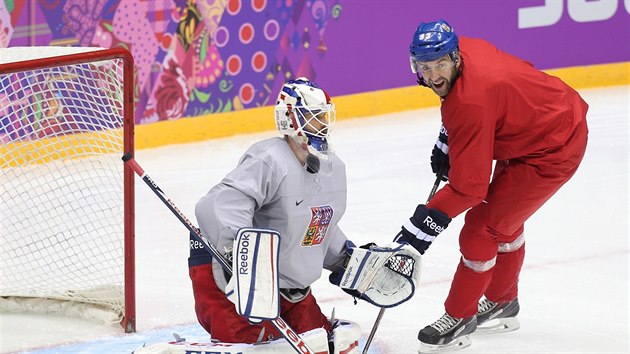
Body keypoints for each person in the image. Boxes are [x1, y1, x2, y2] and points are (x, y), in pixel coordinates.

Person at [394, 19, 589, 352]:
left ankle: (459, 317)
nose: (433, 75)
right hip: (536, 124)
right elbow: (477, 103)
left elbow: (469, 189)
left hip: (554, 147)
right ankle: (502, 301)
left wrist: (421, 227)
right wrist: (448, 140)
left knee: (480, 230)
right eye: (425, 67)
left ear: (454, 58)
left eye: (440, 64)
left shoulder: (471, 103)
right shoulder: (464, 49)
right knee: (502, 221)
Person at [187, 77, 421, 353]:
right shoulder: (269, 159)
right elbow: (215, 206)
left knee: (323, 342)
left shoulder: (332, 168)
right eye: (312, 117)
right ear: (288, 119)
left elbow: (319, 226)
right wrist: (243, 261)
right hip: (226, 277)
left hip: (285, 284)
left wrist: (349, 263)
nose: (321, 124)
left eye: (323, 116)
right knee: (251, 346)